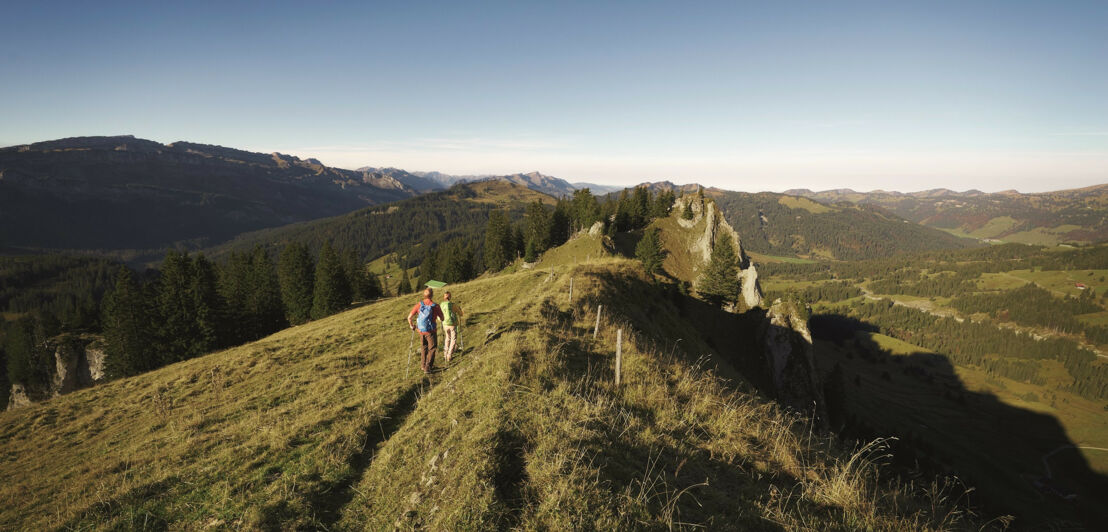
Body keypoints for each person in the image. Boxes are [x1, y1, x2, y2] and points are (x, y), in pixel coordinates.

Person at [407, 287, 444, 373]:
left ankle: (423, 365)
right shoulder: (435, 306)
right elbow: (442, 318)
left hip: (421, 331)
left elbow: (409, 317)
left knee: (424, 347)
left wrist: (412, 326)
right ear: (432, 295)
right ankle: (428, 367)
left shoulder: (419, 305)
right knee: (432, 348)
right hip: (431, 331)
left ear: (424, 295)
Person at [441, 291, 464, 361]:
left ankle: (445, 354)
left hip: (445, 324)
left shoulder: (441, 305)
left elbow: (439, 315)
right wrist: (460, 310)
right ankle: (449, 355)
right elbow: (461, 314)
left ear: (444, 297)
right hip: (452, 324)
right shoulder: (453, 305)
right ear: (450, 297)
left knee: (447, 338)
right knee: (453, 339)